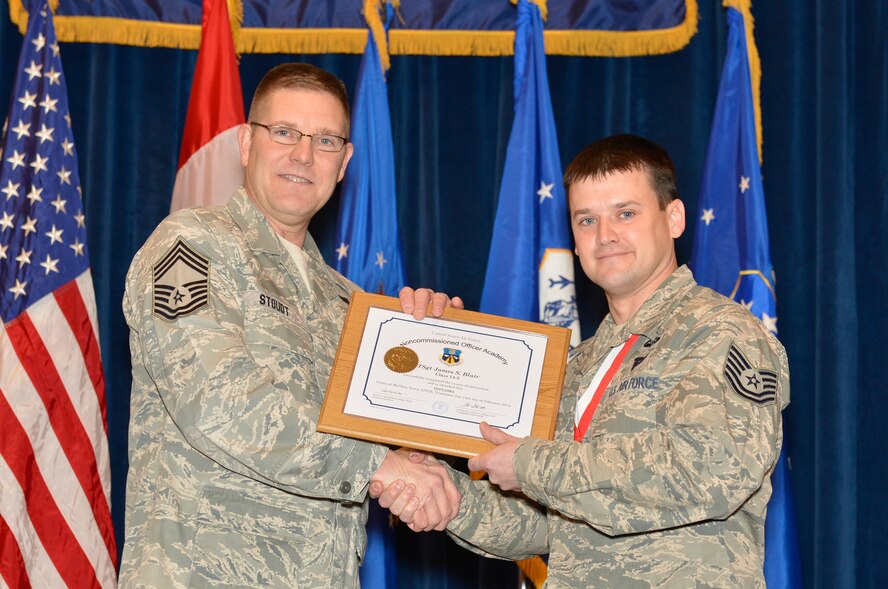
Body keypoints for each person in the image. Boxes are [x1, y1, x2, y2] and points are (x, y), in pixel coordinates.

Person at [374, 134, 790, 587]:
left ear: (674, 218)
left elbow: (711, 471)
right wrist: (443, 495)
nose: (605, 235)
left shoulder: (720, 331)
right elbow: (541, 522)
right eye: (586, 220)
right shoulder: (578, 364)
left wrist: (532, 465)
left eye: (625, 214)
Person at [120, 63, 461, 588]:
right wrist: (378, 464)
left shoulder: (349, 303)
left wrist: (440, 349)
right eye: (284, 133)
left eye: (325, 141)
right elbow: (217, 401)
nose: (303, 155)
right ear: (246, 143)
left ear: (344, 162)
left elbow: (385, 444)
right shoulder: (194, 246)